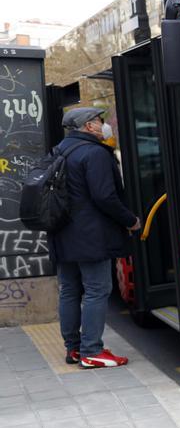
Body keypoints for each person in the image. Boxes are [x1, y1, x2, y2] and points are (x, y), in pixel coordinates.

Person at [50, 107, 140, 369]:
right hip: (91, 236)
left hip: (62, 233)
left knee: (69, 290)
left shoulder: (58, 151)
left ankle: (74, 348)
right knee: (97, 290)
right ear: (89, 126)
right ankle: (92, 350)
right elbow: (104, 196)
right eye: (100, 121)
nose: (104, 125)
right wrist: (130, 220)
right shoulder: (95, 153)